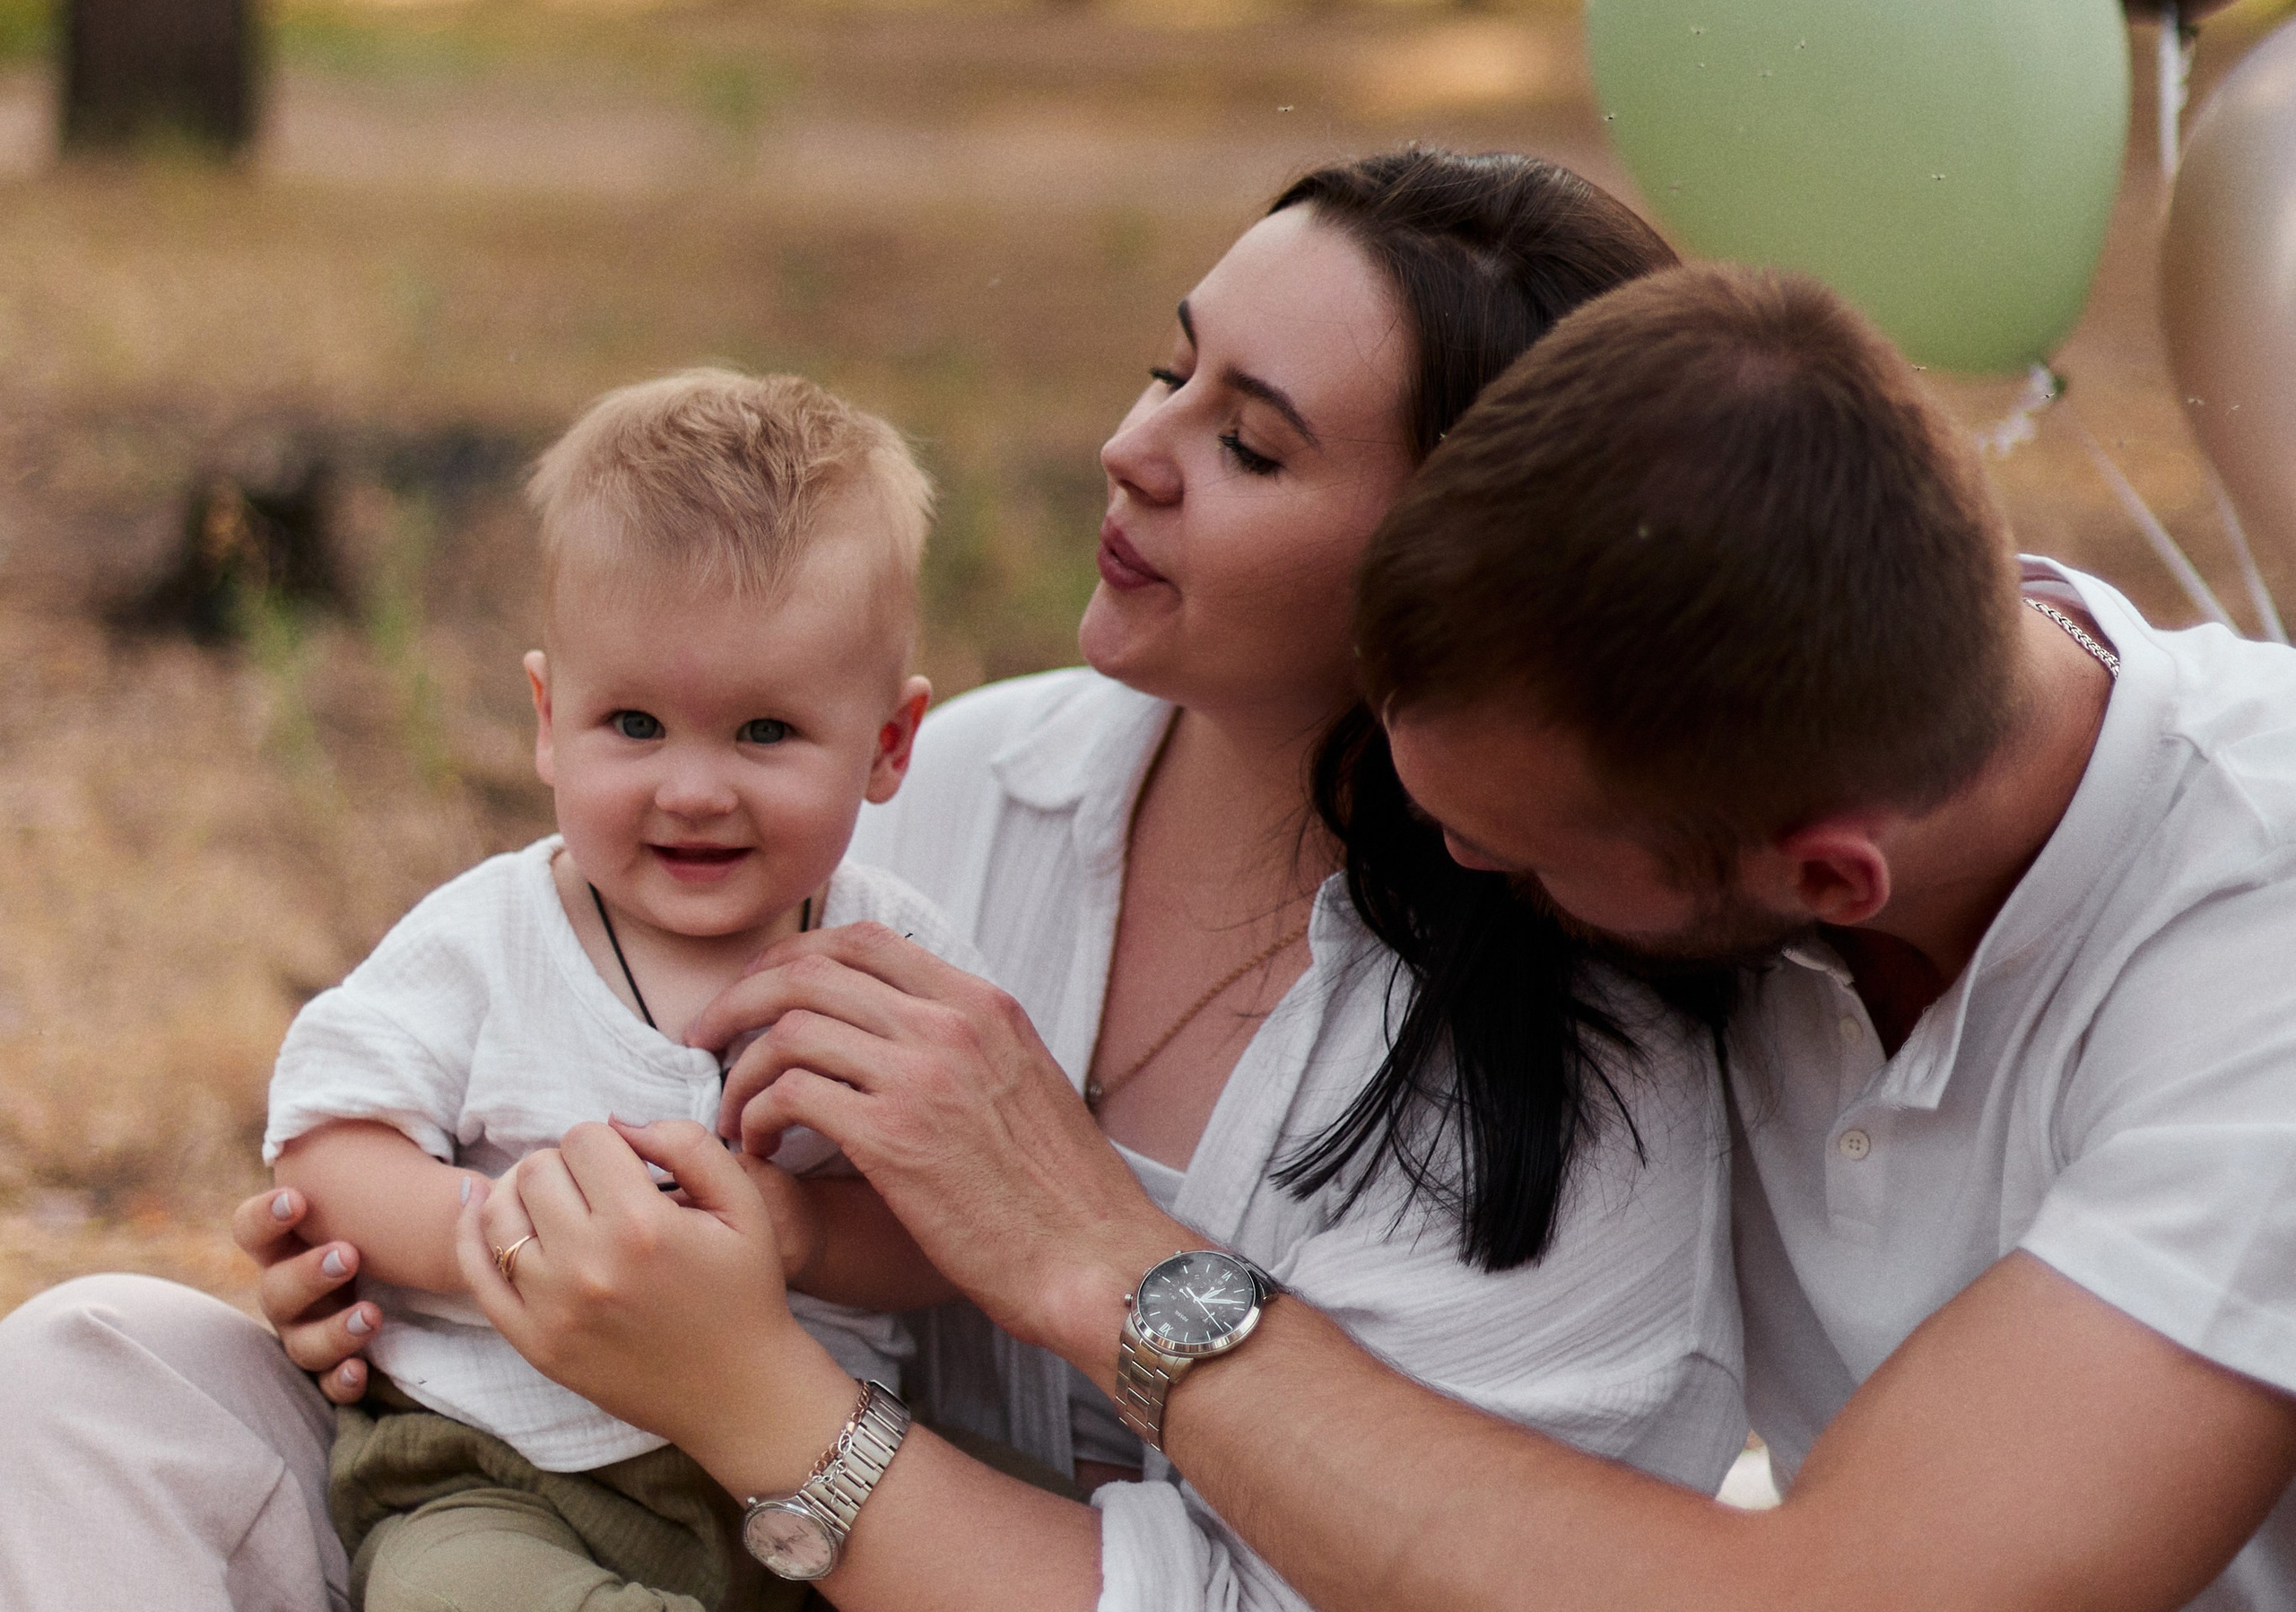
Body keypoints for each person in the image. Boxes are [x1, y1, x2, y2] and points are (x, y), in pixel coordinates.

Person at [0, 150, 1745, 1612]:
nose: (1131, 450)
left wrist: (755, 1390)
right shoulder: (969, 781)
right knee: (100, 1370)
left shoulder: (1574, 1105)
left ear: (1461, 560)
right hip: (552, 1498)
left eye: (1250, 443)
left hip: (829, 1552)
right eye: (1170, 371)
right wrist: (431, 1265)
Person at [501, 260, 2296, 1612]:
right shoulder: (1791, 691)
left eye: (1493, 850)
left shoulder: (2251, 957)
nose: (1415, 876)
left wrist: (1105, 1261)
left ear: (1823, 879)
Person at [265, 367, 978, 1612]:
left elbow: (947, 1234)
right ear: (549, 720)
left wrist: (800, 1227)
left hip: (805, 1491)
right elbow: (328, 1145)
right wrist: (506, 1236)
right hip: (505, 1471)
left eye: (764, 733)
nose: (693, 788)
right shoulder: (494, 937)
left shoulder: (894, 965)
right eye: (635, 724)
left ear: (889, 745)